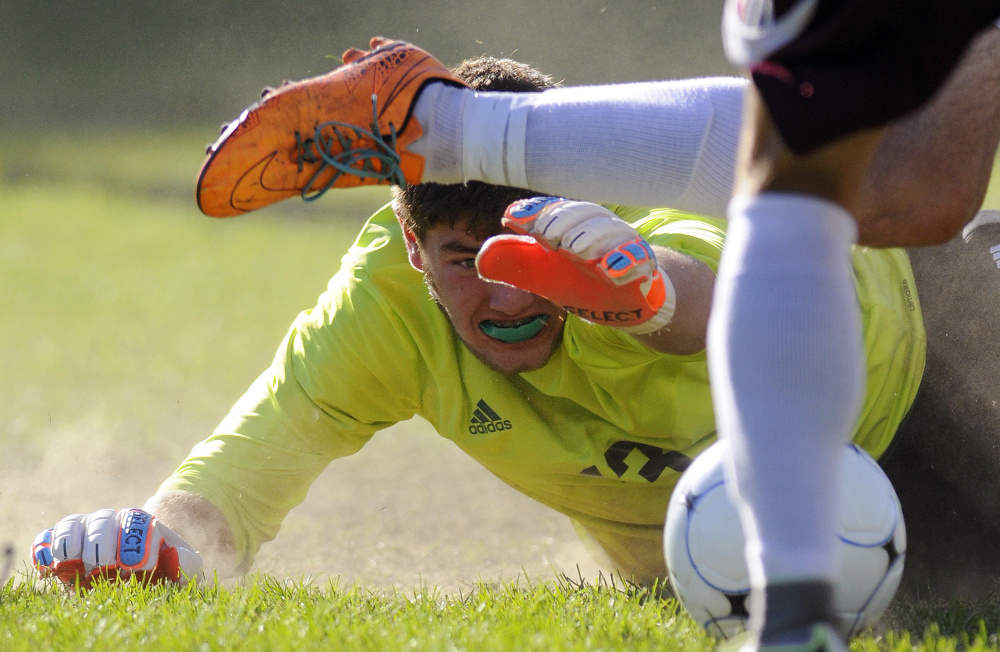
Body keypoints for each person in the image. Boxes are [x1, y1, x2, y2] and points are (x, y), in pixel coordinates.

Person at [32, 57, 925, 607]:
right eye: (468, 260)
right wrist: (159, 539)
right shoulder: (385, 308)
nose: (507, 294)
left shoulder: (616, 232)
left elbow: (746, 294)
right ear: (414, 251)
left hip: (914, 367)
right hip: (722, 539)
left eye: (523, 248)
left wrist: (647, 298)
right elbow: (254, 456)